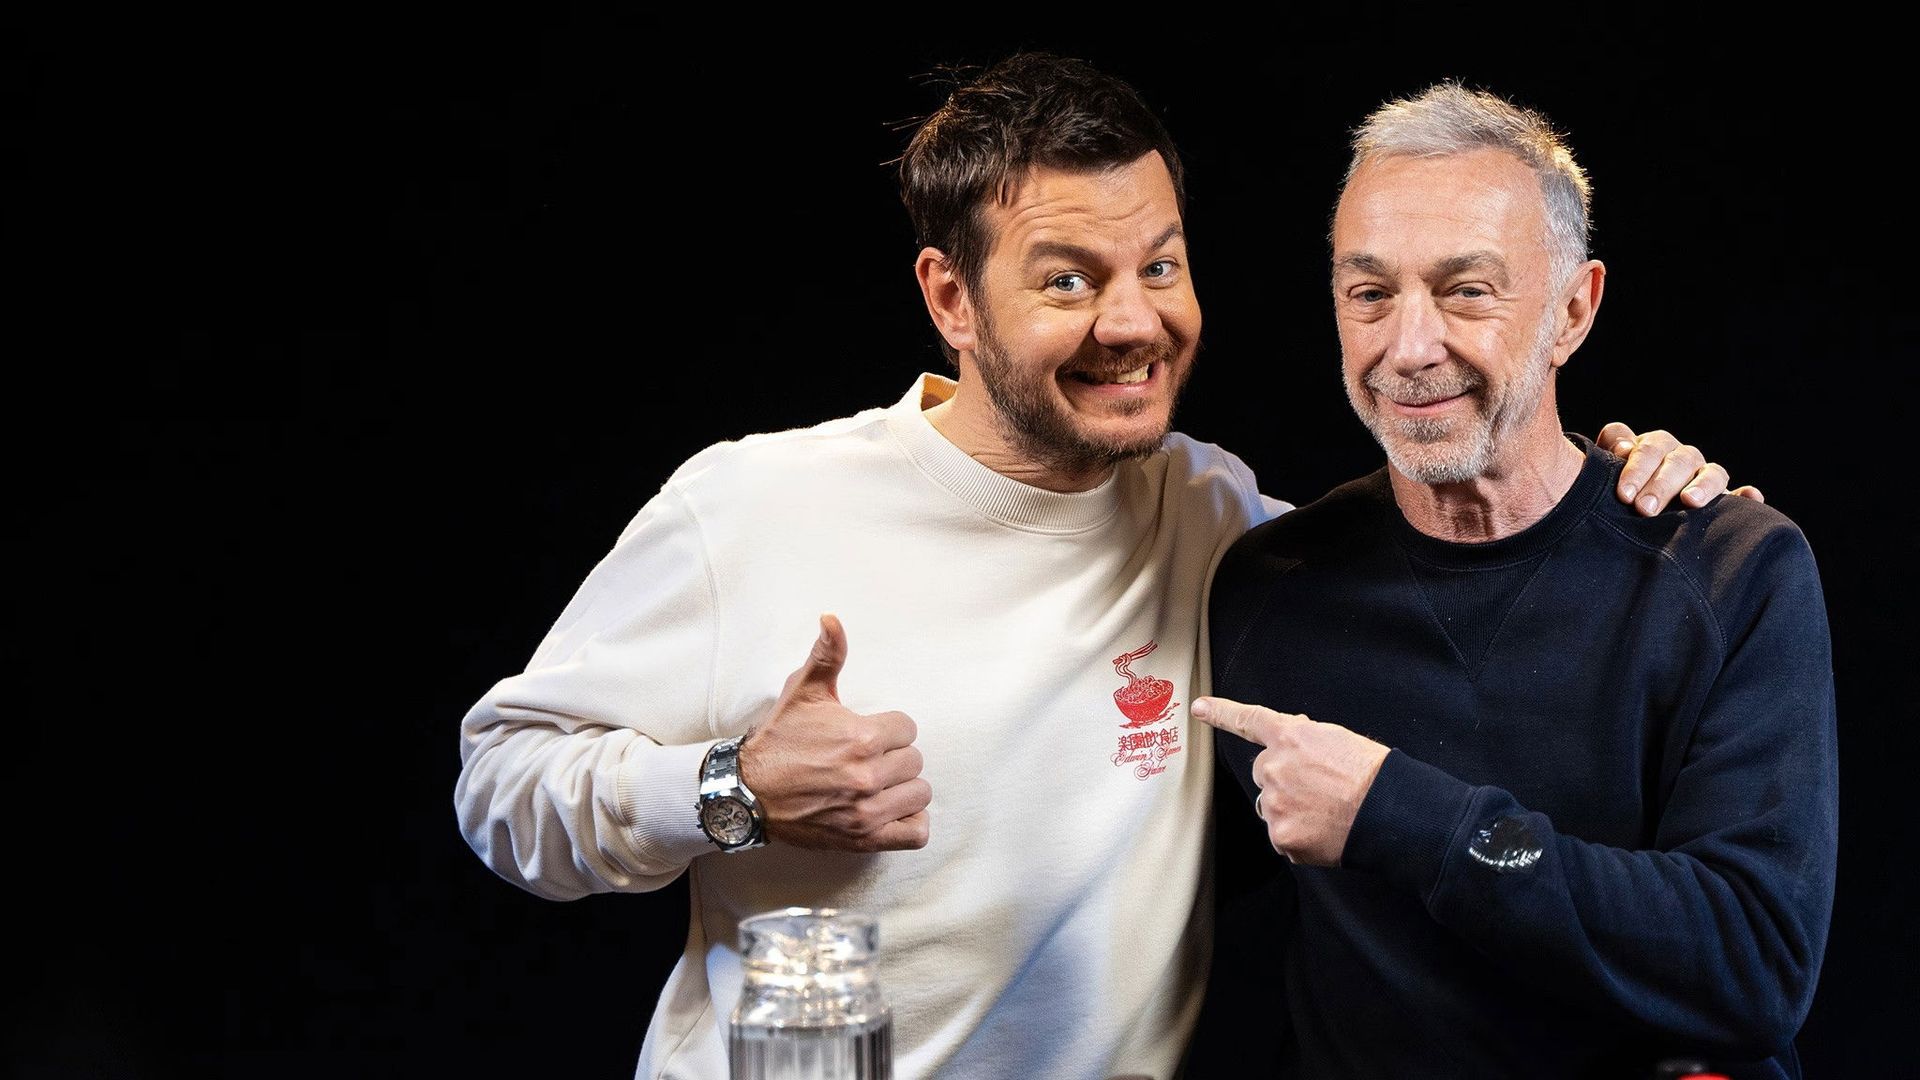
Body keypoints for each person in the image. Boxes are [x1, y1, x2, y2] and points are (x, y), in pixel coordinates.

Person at [453, 55, 1746, 1079]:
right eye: (1068, 280)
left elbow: (1460, 534)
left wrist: (1626, 480)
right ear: (951, 300)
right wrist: (730, 788)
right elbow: (502, 784)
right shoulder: (753, 505)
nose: (1134, 323)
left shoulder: (1221, 518)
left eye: (1161, 266)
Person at [1196, 81, 1837, 1079]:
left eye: (1466, 290)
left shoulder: (1729, 571)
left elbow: (1755, 963)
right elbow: (1141, 888)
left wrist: (1398, 814)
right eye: (1370, 294)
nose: (1409, 348)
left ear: (1573, 310)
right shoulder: (1269, 586)